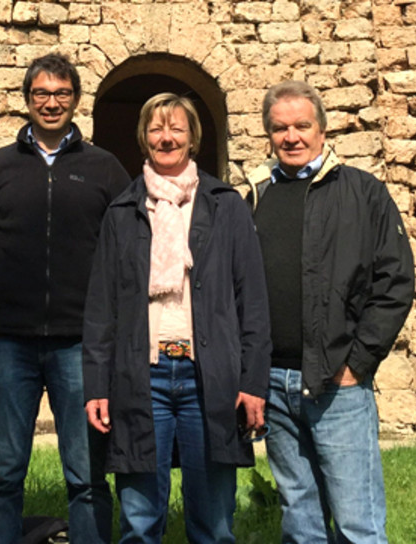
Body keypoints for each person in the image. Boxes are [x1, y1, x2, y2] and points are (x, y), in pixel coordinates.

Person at [83, 93, 272, 544]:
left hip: (208, 377)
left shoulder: (226, 205)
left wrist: (253, 382)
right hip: (140, 377)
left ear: (193, 139)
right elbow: (101, 308)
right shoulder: (123, 211)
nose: (166, 138)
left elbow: (253, 300)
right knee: (140, 522)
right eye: (156, 129)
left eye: (176, 129)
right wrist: (97, 386)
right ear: (143, 139)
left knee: (213, 523)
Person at [0, 53, 131, 544]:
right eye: (41, 94)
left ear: (76, 99)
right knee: (4, 472)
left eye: (61, 94)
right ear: (27, 100)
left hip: (81, 345)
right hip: (9, 343)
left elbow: (130, 249)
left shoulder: (105, 169)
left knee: (87, 476)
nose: (51, 103)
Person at [245, 81, 415, 543]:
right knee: (300, 519)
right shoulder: (254, 197)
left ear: (322, 130)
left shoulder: (362, 192)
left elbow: (395, 282)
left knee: (357, 522)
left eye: (302, 126)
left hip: (336, 381)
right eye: (280, 128)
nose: (292, 137)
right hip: (275, 384)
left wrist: (357, 363)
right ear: (269, 134)